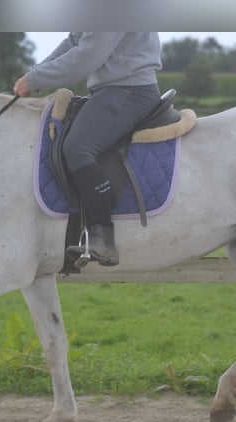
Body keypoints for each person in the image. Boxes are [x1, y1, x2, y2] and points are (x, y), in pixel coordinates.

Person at [14, 33, 162, 266]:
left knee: (78, 148)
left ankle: (103, 237)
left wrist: (35, 79)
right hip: (113, 89)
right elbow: (74, 41)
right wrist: (35, 73)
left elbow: (87, 56)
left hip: (128, 90)